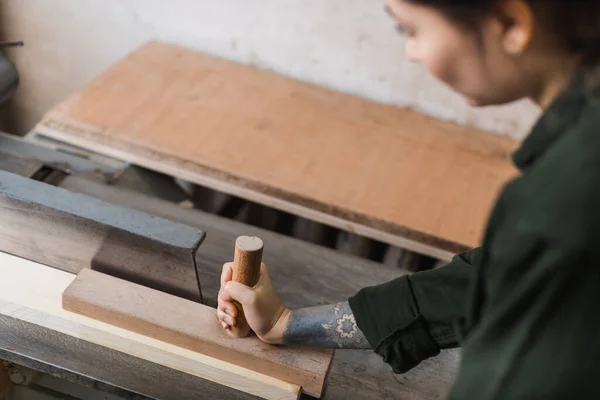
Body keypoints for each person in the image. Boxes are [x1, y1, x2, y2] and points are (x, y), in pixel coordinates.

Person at [218, 0, 600, 398]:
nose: (411, 52)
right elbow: (489, 280)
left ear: (511, 23)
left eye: (410, 31)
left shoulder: (566, 196)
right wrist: (287, 323)